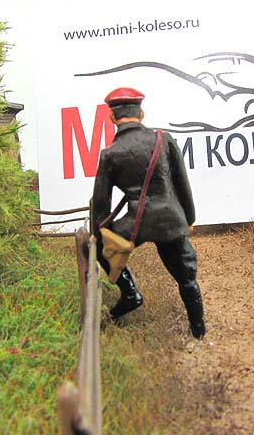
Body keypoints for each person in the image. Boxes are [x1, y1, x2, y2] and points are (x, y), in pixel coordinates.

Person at [91, 87, 205, 339]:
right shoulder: (163, 139)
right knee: (186, 277)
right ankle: (198, 329)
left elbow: (101, 204)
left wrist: (97, 234)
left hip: (136, 223)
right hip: (171, 219)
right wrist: (189, 219)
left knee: (98, 247)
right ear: (141, 114)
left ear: (112, 118)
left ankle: (130, 293)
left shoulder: (109, 154)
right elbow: (181, 183)